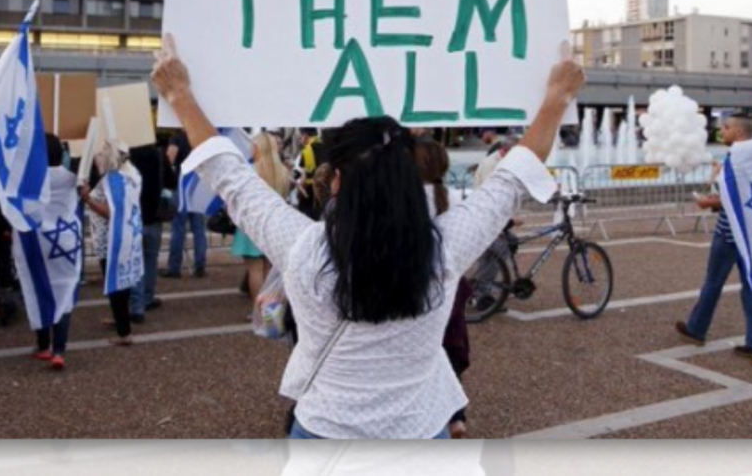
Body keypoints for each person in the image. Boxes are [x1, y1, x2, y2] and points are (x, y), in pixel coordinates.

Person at [152, 34, 583, 439]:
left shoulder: (304, 248)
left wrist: (180, 96)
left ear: (336, 181)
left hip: (325, 428)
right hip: (419, 428)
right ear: (408, 178)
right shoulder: (443, 249)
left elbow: (231, 179)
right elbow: (512, 180)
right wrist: (557, 99)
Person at [676, 114, 752, 361]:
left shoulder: (735, 159)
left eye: (726, 128)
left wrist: (708, 202)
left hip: (729, 233)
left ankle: (696, 329)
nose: (721, 131)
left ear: (739, 132)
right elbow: (751, 196)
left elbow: (732, 197)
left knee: (713, 282)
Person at [414, 137, 473, 439]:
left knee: (425, 349)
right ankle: (455, 415)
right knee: (452, 344)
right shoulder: (449, 197)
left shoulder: (403, 199)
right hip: (452, 281)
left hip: (418, 280)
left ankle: (434, 412)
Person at [17, 134, 81, 370]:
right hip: (66, 241)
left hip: (37, 241)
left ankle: (43, 345)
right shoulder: (72, 178)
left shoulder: (31, 179)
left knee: (39, 287)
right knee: (64, 290)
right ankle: (59, 350)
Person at [80, 140, 144, 346]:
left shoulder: (113, 179)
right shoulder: (132, 174)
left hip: (112, 240)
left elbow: (110, 213)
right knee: (122, 284)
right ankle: (120, 320)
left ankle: (124, 333)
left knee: (117, 287)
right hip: (128, 236)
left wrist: (88, 200)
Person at [233, 132, 291, 307]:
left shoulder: (251, 171)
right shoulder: (282, 171)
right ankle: (269, 308)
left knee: (254, 269)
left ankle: (257, 309)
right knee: (266, 267)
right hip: (273, 223)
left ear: (258, 147)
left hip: (252, 223)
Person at [128, 142, 167, 323]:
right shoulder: (159, 155)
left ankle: (136, 306)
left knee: (134, 262)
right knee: (150, 261)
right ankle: (148, 298)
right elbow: (171, 180)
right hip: (154, 216)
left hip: (133, 218)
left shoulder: (128, 156)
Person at [162, 130, 209, 278]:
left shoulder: (177, 137)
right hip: (198, 186)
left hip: (181, 186)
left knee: (178, 229)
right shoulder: (200, 136)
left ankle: (174, 268)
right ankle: (200, 265)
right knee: (199, 229)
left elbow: (169, 158)